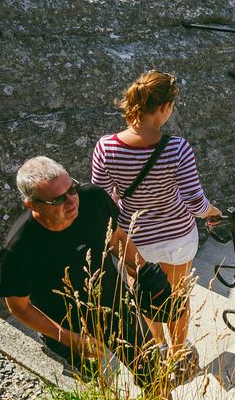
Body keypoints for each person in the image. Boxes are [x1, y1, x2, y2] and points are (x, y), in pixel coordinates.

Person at [90, 71, 220, 366]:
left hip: (134, 240)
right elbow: (195, 202)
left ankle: (158, 349)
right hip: (177, 236)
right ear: (163, 108)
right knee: (177, 296)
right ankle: (179, 353)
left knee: (149, 296)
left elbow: (102, 198)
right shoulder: (177, 148)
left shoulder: (106, 147)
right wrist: (213, 212)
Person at [0, 155, 144, 373]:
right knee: (93, 394)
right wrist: (69, 339)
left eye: (72, 188)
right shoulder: (18, 249)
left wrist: (144, 272)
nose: (72, 201)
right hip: (67, 330)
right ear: (31, 204)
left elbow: (117, 238)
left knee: (152, 371)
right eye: (57, 199)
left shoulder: (93, 198)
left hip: (118, 308)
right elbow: (19, 307)